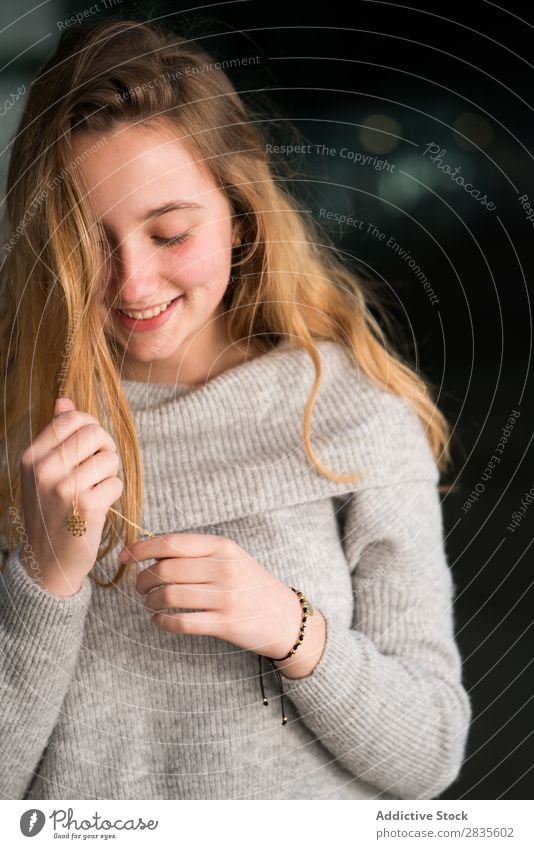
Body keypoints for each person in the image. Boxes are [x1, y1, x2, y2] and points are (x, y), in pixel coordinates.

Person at [0, 18, 471, 801]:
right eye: (89, 241)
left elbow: (429, 750)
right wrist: (44, 579)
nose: (132, 283)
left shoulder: (354, 415)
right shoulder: (21, 445)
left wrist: (293, 627)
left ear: (239, 213)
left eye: (170, 232)